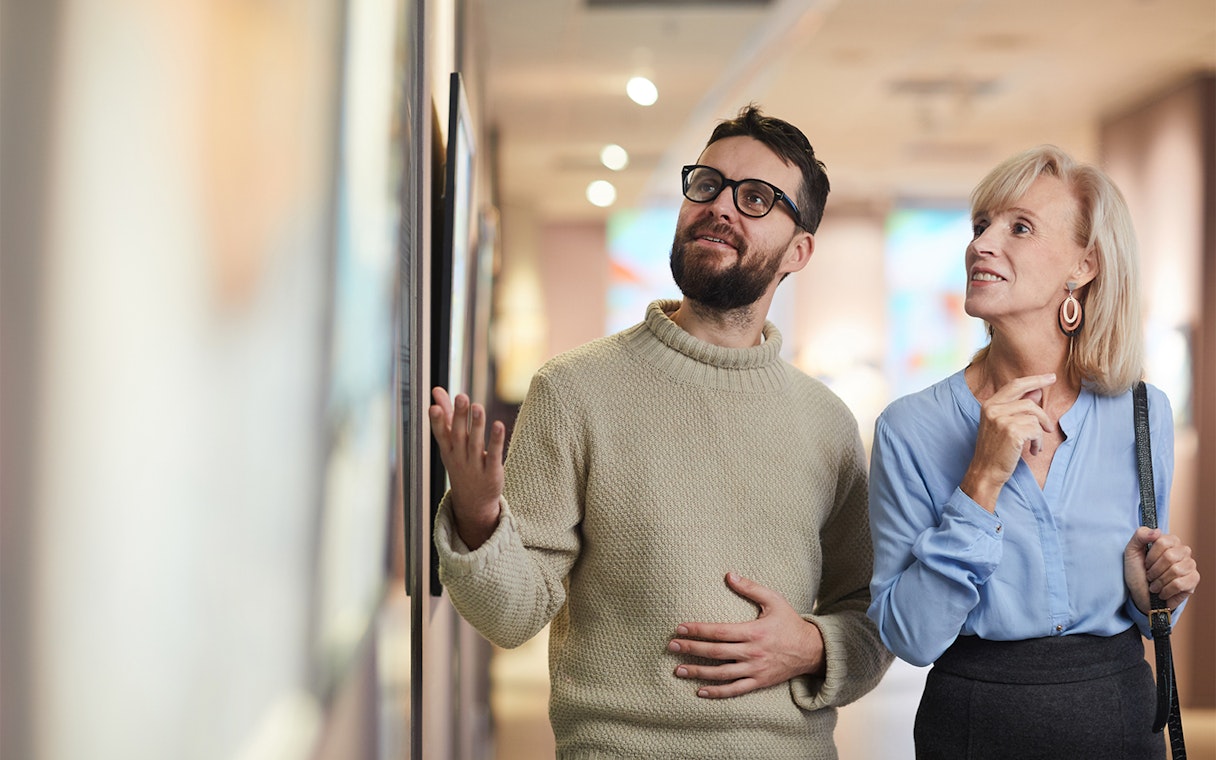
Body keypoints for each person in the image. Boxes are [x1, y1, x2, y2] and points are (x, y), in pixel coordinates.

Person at [429, 105, 892, 759]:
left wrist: (813, 645)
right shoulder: (573, 390)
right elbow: (513, 615)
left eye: (755, 198)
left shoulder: (827, 424)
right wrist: (478, 521)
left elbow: (872, 616)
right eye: (707, 184)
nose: (720, 207)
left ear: (800, 250)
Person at [867, 145, 1201, 758]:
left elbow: (1151, 608)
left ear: (1085, 265)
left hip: (1122, 719)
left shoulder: (1141, 410)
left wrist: (1154, 592)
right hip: (973, 725)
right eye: (980, 225)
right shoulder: (908, 428)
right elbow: (909, 636)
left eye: (1019, 226)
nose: (982, 243)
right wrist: (981, 482)